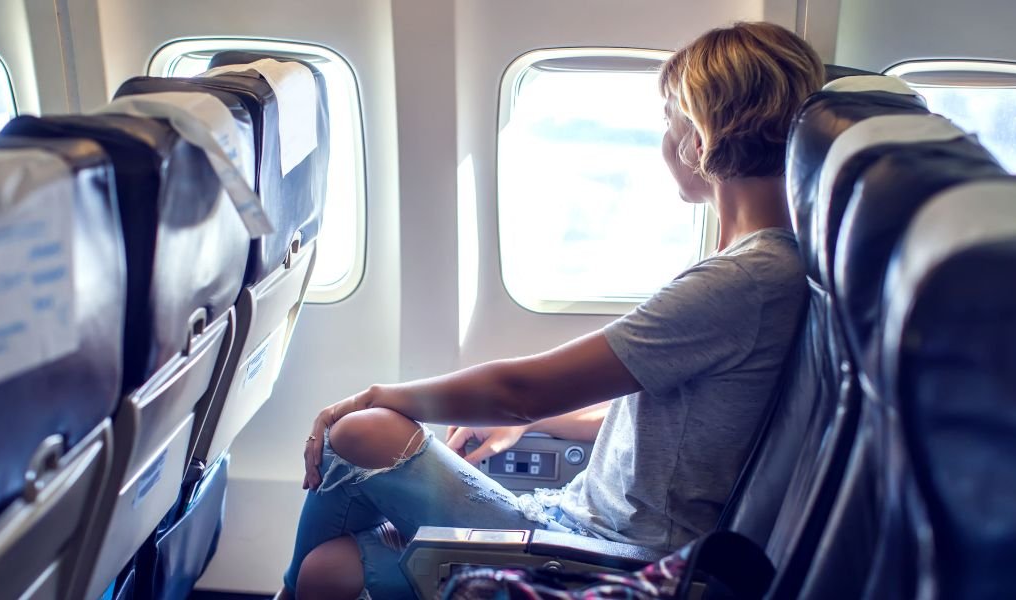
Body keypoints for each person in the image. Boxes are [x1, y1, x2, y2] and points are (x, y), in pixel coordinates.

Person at [276, 21, 822, 600]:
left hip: (611, 556)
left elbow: (523, 388)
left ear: (698, 134)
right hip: (583, 524)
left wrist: (380, 393)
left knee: (362, 429)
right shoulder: (761, 266)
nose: (667, 138)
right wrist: (532, 425)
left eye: (670, 118)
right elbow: (659, 414)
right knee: (329, 566)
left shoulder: (744, 278)